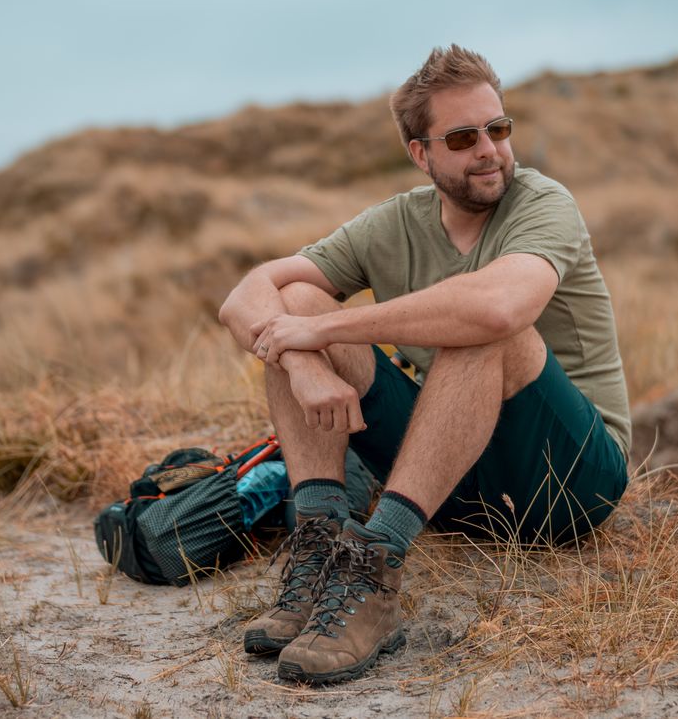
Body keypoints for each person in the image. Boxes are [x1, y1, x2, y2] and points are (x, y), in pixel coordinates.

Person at [217, 44, 631, 685]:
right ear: (422, 153)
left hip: (569, 480)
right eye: (463, 137)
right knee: (296, 294)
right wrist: (304, 361)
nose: (489, 149)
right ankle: (323, 549)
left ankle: (375, 565)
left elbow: (498, 309)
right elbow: (246, 295)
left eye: (499, 129)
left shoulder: (543, 202)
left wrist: (321, 327)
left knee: (483, 329)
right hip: (452, 483)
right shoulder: (393, 224)